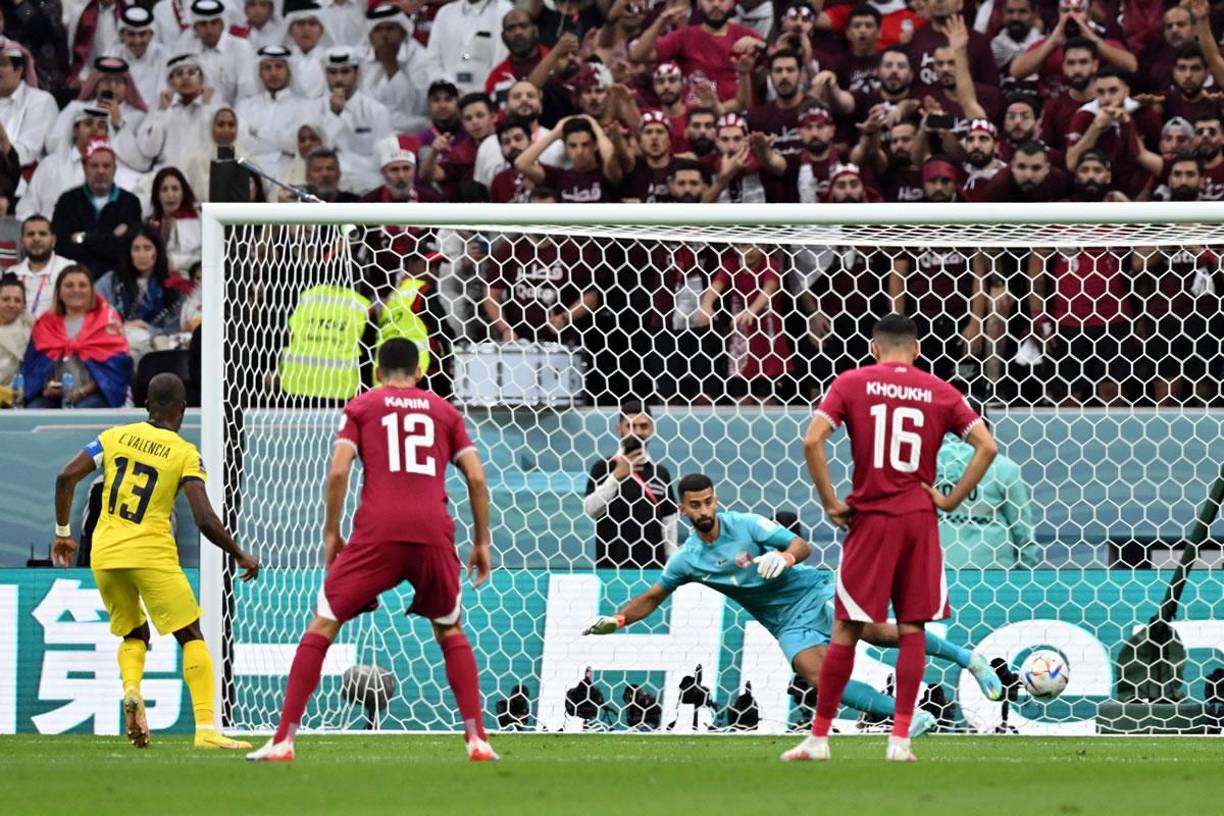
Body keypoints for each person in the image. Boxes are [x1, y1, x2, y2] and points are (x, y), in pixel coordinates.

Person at [583, 474, 1002, 744]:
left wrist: (784, 558)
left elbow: (802, 545)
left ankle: (970, 660)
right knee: (817, 675)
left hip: (812, 590)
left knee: (872, 630)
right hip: (783, 621)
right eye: (695, 505)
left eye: (708, 501)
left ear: (715, 499)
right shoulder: (688, 560)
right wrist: (617, 620)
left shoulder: (746, 524)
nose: (705, 510)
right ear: (682, 509)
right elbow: (653, 596)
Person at [247, 338, 497, 762]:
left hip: (378, 531)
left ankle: (284, 739)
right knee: (450, 629)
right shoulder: (445, 412)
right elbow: (475, 478)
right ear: (420, 372)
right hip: (432, 531)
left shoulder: (362, 407)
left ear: (377, 373)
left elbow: (338, 471)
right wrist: (482, 541)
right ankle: (477, 739)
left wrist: (331, 533)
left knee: (324, 623)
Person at [796, 313, 998, 762]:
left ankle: (819, 739)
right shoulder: (941, 391)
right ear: (918, 350)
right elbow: (988, 446)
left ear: (874, 348)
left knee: (846, 627)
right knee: (912, 629)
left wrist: (830, 502)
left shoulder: (851, 383)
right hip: (917, 521)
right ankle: (901, 741)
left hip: (869, 519)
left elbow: (812, 441)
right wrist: (950, 500)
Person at [51, 372, 260, 749]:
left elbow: (66, 476)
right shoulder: (184, 453)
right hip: (151, 554)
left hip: (105, 554)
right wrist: (239, 553)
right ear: (182, 408)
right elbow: (204, 519)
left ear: (146, 405)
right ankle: (206, 729)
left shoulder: (113, 437)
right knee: (191, 635)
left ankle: (132, 690)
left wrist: (64, 533)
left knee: (134, 634)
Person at [935, 407, 1037, 569]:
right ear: (986, 427)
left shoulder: (926, 463)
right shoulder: (1004, 467)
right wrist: (1025, 574)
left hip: (938, 568)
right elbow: (1022, 530)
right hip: (994, 571)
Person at [22, 265, 133, 408]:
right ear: (59, 292)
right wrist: (46, 385)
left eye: (82, 285)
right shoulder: (45, 323)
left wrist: (83, 391)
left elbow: (117, 367)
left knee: (81, 413)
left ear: (91, 291)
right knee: (34, 410)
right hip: (54, 395)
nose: (76, 290)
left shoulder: (108, 321)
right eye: (69, 285)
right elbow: (33, 366)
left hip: (96, 393)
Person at [582, 402, 677, 569]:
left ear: (651, 429)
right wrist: (616, 476)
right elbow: (590, 510)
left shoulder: (660, 473)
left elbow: (669, 523)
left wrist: (672, 564)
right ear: (619, 429)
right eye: (631, 426)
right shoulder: (603, 467)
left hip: (653, 568)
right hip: (611, 567)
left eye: (643, 426)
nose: (638, 432)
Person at [49, 139, 143, 278]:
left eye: (106, 166)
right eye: (94, 165)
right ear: (84, 167)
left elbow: (125, 250)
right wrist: (111, 237)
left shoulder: (130, 203)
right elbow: (61, 247)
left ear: (115, 169)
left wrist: (81, 237)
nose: (100, 171)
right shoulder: (67, 201)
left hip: (117, 279)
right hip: (74, 278)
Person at [95, 227, 183, 359]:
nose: (142, 255)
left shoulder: (172, 285)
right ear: (129, 253)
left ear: (157, 252)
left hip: (158, 349)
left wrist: (147, 328)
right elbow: (94, 316)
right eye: (136, 249)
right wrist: (123, 326)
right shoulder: (110, 281)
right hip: (115, 344)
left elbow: (174, 330)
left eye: (147, 248)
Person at [11, 215, 75, 318]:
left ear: (53, 240)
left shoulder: (69, 269)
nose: (36, 238)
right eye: (30, 234)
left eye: (42, 234)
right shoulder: (11, 274)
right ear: (22, 242)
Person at [147, 167, 202, 274]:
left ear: (183, 193)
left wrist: (175, 262)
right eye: (164, 190)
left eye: (175, 189)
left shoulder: (197, 218)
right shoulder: (150, 223)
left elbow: (202, 254)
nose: (170, 195)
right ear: (157, 195)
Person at [0, 273, 31, 397]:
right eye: (5, 299)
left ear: (24, 305)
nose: (12, 305)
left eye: (17, 300)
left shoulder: (31, 327)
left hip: (17, 394)